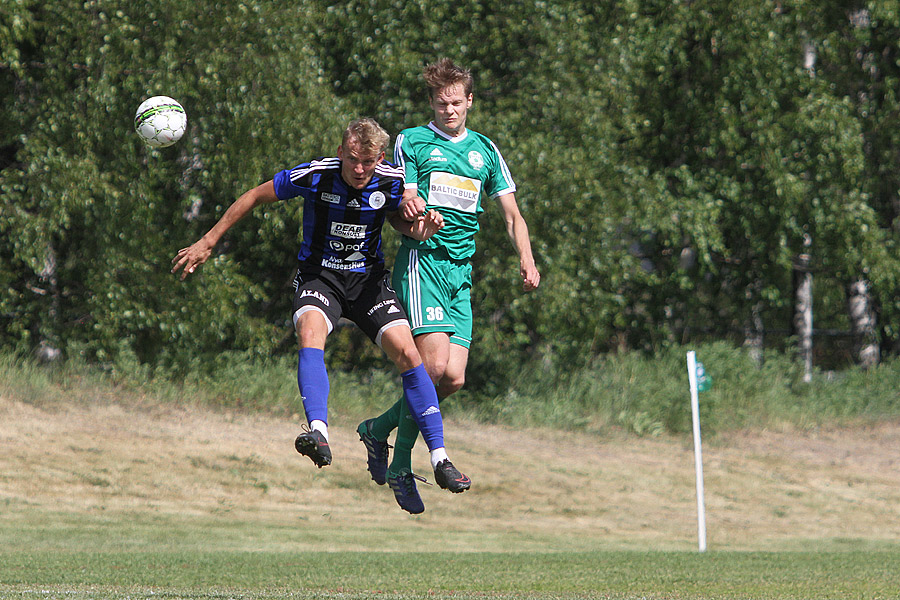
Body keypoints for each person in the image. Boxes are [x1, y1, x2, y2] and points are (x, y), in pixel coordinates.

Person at [171, 117, 468, 515]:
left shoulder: (392, 180)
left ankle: (439, 459)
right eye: (351, 159)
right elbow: (254, 196)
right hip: (320, 279)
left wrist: (423, 228)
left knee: (411, 357)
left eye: (366, 162)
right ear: (341, 151)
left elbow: (405, 225)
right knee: (311, 333)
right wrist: (208, 241)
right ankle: (318, 432)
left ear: (379, 158)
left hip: (367, 285)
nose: (358, 169)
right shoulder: (317, 175)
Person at [358, 59, 541, 511]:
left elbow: (512, 214)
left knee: (454, 379)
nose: (449, 110)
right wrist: (414, 206)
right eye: (441, 103)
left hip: (462, 273)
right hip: (424, 264)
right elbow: (405, 196)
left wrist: (527, 257)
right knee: (432, 368)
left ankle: (377, 430)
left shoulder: (485, 150)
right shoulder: (414, 141)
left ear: (470, 101)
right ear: (432, 104)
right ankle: (402, 466)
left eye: (456, 102)